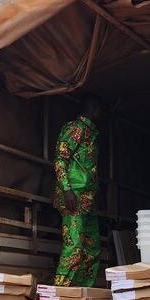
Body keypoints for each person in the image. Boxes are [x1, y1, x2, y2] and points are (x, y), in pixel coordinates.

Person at [54, 95, 104, 286]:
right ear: (93, 107)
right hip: (73, 196)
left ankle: (83, 293)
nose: (103, 114)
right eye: (101, 110)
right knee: (73, 245)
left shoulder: (92, 134)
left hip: (87, 200)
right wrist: (67, 190)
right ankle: (57, 294)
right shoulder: (75, 128)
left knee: (92, 248)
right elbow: (60, 159)